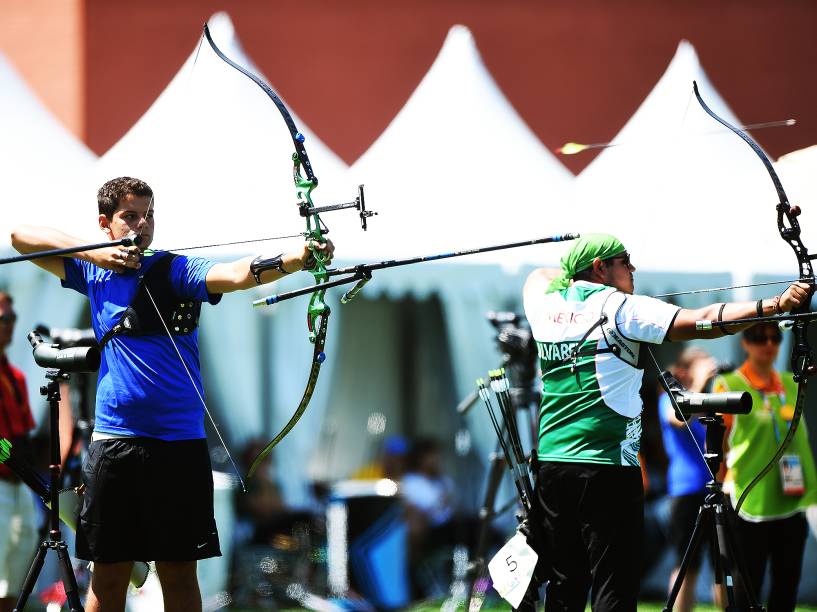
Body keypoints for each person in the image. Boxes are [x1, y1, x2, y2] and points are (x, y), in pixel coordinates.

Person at [10, 176, 334, 612]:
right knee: (108, 576)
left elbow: (237, 274)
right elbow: (20, 237)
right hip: (115, 444)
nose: (142, 225)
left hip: (178, 447)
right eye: (130, 216)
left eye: (149, 215)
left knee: (180, 574)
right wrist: (95, 253)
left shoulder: (175, 269)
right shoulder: (91, 271)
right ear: (105, 224)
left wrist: (297, 256)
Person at [522, 233, 809, 611]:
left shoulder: (543, 304)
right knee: (614, 585)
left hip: (551, 467)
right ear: (600, 268)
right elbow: (706, 320)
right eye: (624, 261)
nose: (633, 268)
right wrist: (772, 305)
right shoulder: (621, 307)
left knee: (565, 583)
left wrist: (574, 271)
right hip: (607, 468)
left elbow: (538, 276)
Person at [713, 322, 817, 611]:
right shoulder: (729, 384)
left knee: (787, 583)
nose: (768, 344)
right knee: (748, 583)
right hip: (747, 495)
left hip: (791, 494)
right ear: (745, 343)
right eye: (759, 337)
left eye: (775, 337)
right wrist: (720, 486)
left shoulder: (792, 382)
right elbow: (720, 443)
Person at [657, 346, 721, 612]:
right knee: (687, 565)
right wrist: (699, 381)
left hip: (717, 488)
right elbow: (679, 419)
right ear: (684, 371)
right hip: (685, 492)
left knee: (724, 565)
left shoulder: (711, 401)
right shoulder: (668, 400)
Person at [0, 292, 38, 612]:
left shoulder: (17, 377)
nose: (10, 326)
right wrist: (6, 456)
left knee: (13, 581)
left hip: (19, 486)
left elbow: (24, 435)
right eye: (3, 320)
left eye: (12, 319)